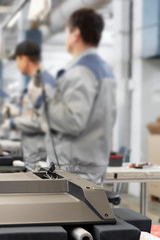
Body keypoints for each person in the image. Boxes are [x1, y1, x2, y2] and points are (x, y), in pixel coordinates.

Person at [42, 8, 116, 185]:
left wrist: (43, 102)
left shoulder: (80, 72)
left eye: (67, 33)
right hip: (90, 165)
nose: (66, 38)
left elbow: (72, 121)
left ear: (75, 34)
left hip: (73, 171)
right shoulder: (104, 70)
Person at [3, 40, 56, 169]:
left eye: (17, 60)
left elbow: (44, 121)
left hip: (41, 154)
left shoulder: (43, 84)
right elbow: (34, 113)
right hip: (34, 152)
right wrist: (17, 112)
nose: (17, 65)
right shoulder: (35, 82)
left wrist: (14, 123)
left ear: (25, 59)